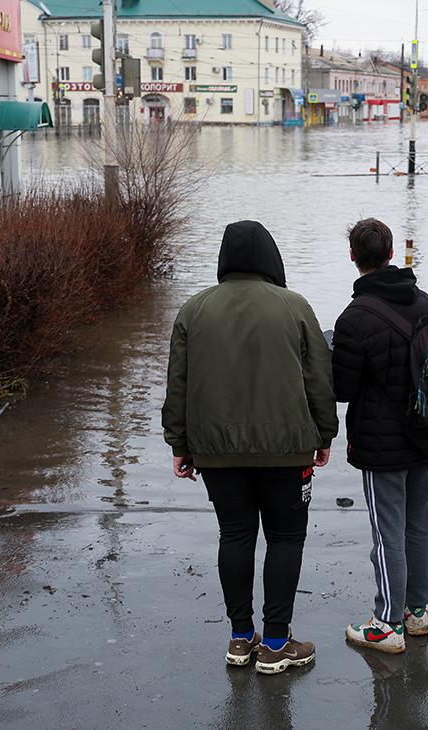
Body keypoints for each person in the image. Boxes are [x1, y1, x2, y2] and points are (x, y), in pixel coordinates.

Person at [162, 220, 338, 675]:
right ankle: (277, 643)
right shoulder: (295, 307)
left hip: (216, 452)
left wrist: (179, 443)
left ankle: (241, 639)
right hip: (288, 450)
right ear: (271, 259)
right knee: (285, 537)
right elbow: (319, 379)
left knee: (234, 535)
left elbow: (178, 385)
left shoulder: (193, 311)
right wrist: (324, 434)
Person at [331, 218, 428, 654]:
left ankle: (386, 625)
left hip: (382, 446)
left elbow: (342, 389)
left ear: (353, 257)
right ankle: (416, 614)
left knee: (388, 535)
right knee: (420, 528)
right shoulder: (425, 302)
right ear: (391, 252)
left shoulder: (354, 318)